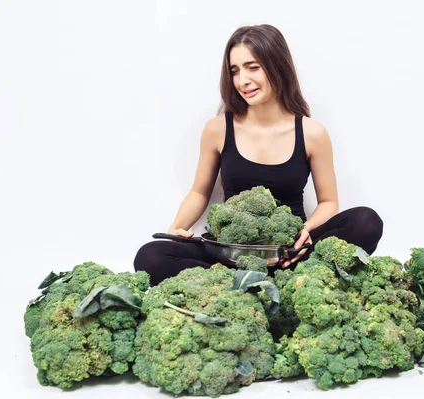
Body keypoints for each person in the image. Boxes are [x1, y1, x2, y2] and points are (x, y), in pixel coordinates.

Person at [134, 24, 383, 286]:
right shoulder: (218, 128)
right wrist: (177, 228)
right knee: (150, 256)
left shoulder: (311, 133)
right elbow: (199, 192)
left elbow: (329, 202)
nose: (243, 80)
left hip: (291, 253)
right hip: (228, 252)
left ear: (277, 65)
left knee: (366, 221)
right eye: (235, 71)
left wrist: (306, 232)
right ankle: (256, 284)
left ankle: (257, 284)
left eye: (253, 67)